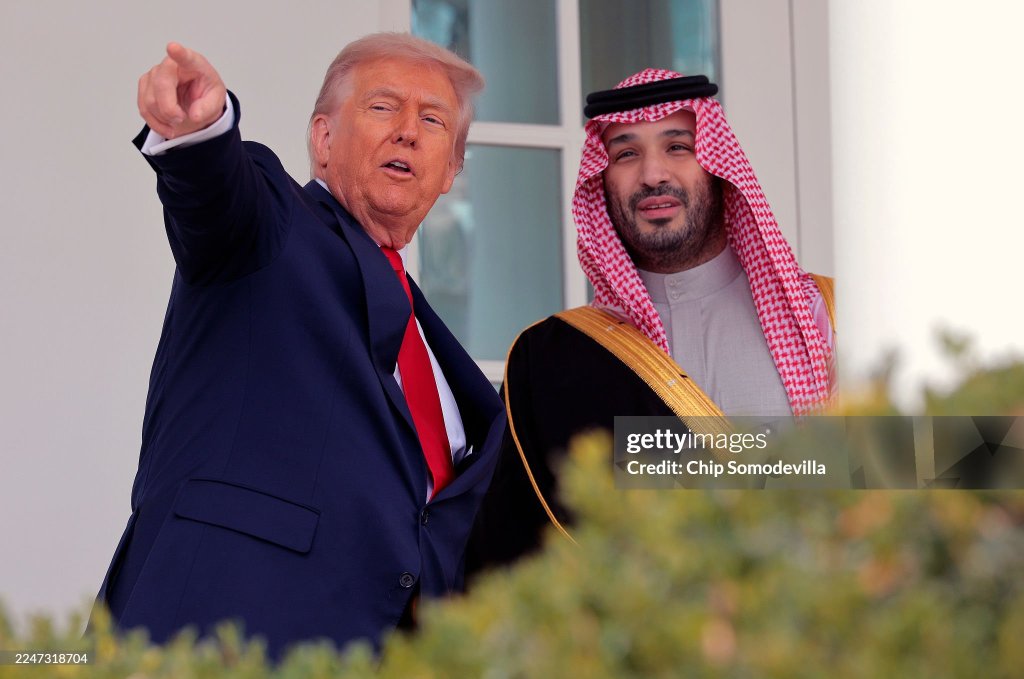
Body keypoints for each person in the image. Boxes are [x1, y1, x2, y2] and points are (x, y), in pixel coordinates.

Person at [95, 35, 506, 658]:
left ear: (450, 170)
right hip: (214, 646)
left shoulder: (436, 351)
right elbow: (216, 194)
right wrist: (200, 133)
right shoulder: (273, 228)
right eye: (383, 107)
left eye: (433, 121)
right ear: (323, 139)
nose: (407, 131)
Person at [466, 69, 835, 569]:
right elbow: (515, 551)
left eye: (678, 147)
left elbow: (921, 479)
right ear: (601, 180)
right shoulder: (550, 358)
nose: (653, 174)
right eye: (626, 154)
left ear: (718, 165)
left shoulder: (828, 314)